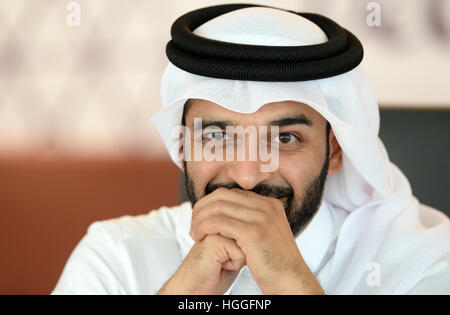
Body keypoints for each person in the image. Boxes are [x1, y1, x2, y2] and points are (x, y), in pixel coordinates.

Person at [52, 4, 450, 295]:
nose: (247, 176)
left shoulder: (421, 264)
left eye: (284, 138)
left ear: (334, 151)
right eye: (217, 136)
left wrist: (291, 283)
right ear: (182, 144)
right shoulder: (117, 258)